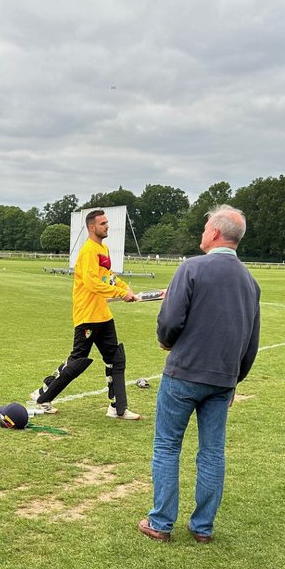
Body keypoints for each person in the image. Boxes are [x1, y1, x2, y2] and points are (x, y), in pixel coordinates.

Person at [137, 205, 260, 543]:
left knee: (166, 446)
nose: (202, 233)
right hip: (222, 380)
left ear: (216, 233)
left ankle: (160, 523)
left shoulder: (191, 268)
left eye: (206, 227)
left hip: (184, 374)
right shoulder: (250, 282)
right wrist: (234, 381)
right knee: (212, 453)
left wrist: (166, 342)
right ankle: (203, 527)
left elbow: (170, 320)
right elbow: (252, 341)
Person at [28, 209, 142, 419]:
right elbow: (92, 283)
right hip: (87, 315)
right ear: (92, 227)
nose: (107, 226)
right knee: (77, 361)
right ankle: (43, 395)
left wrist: (126, 289)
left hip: (103, 315)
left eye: (107, 222)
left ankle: (118, 408)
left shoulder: (103, 248)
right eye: (103, 223)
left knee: (115, 359)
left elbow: (107, 276)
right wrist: (120, 293)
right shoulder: (88, 251)